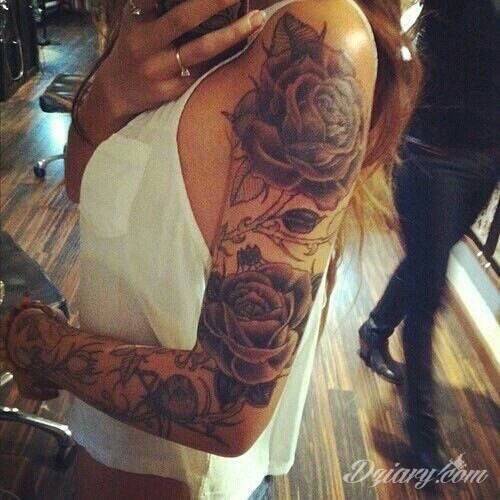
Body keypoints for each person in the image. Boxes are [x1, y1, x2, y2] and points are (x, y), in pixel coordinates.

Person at [0, 0, 421, 498]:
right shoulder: (162, 17)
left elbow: (230, 401)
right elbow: (80, 183)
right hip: (103, 452)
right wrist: (107, 96)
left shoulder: (319, 33)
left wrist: (36, 343)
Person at [358, 0, 498, 472]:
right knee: (428, 295)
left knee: (424, 264)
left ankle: (374, 329)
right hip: (433, 162)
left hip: (484, 162)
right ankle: (423, 435)